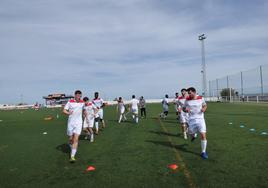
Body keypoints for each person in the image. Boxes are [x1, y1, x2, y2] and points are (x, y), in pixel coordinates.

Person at [184, 87, 208, 159]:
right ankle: (194, 135)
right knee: (190, 133)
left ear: (194, 92)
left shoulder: (201, 98)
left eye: (190, 93)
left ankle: (203, 152)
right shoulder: (187, 100)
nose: (189, 94)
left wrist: (204, 109)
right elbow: (183, 108)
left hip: (200, 119)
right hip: (191, 119)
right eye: (188, 93)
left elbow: (205, 105)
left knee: (203, 135)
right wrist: (186, 110)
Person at [63, 90, 84, 163]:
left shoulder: (82, 102)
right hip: (71, 123)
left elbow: (84, 109)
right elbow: (64, 110)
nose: (78, 96)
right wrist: (68, 113)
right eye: (77, 95)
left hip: (79, 123)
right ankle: (70, 144)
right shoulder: (70, 102)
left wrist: (86, 115)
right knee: (71, 138)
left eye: (79, 95)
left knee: (76, 139)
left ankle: (72, 156)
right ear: (74, 95)